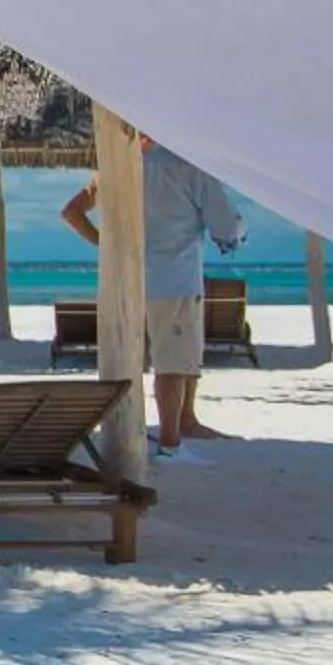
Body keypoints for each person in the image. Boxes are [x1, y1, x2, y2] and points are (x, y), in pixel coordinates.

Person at [61, 137, 246, 454]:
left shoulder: (115, 169)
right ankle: (172, 441)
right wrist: (236, 235)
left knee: (134, 361)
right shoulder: (188, 167)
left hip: (124, 284)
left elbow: (71, 212)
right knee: (173, 360)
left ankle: (182, 422)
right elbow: (227, 227)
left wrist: (108, 247)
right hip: (173, 279)